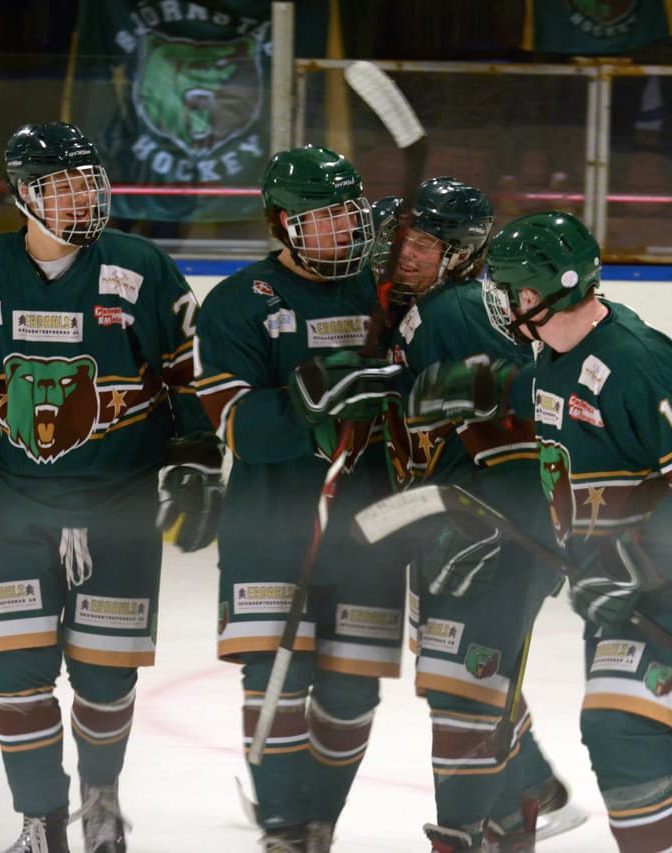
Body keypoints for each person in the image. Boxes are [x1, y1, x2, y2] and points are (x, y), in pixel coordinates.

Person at [410, 211, 672, 852]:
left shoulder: (639, 362)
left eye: (513, 292)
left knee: (621, 733)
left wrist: (635, 565)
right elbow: (544, 395)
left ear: (552, 288)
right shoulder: (556, 353)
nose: (503, 304)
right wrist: (477, 386)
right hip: (617, 581)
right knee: (648, 729)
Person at [0, 120, 221, 853]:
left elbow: (187, 375)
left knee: (105, 677)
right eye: (60, 184)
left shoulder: (141, 268)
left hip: (121, 505)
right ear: (21, 195)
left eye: (87, 179)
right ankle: (39, 824)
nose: (82, 196)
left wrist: (198, 454)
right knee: (16, 674)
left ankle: (102, 803)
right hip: (17, 507)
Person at [193, 143, 409, 852]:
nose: (342, 230)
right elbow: (240, 429)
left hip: (371, 523)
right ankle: (284, 829)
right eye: (322, 219)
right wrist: (319, 412)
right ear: (281, 223)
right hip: (268, 525)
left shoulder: (377, 293)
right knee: (276, 678)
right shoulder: (236, 304)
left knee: (352, 692)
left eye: (349, 214)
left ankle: (318, 826)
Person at [372, 181, 585, 852]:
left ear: (461, 255)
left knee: (461, 678)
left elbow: (526, 408)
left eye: (424, 244)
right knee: (459, 672)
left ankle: (488, 820)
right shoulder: (435, 306)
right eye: (400, 239)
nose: (404, 254)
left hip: (496, 528)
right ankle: (521, 799)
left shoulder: (458, 309)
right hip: (468, 519)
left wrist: (501, 524)